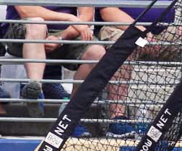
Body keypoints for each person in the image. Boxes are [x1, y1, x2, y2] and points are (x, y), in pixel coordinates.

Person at [96, 2, 182, 137]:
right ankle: (117, 119)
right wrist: (141, 31)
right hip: (122, 27)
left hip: (162, 30)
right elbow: (108, 12)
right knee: (121, 44)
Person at [0, 5, 107, 136]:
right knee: (37, 23)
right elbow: (26, 11)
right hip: (23, 31)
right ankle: (35, 90)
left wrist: (61, 38)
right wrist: (69, 18)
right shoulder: (66, 18)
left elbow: (85, 16)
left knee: (97, 53)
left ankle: (70, 116)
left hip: (64, 33)